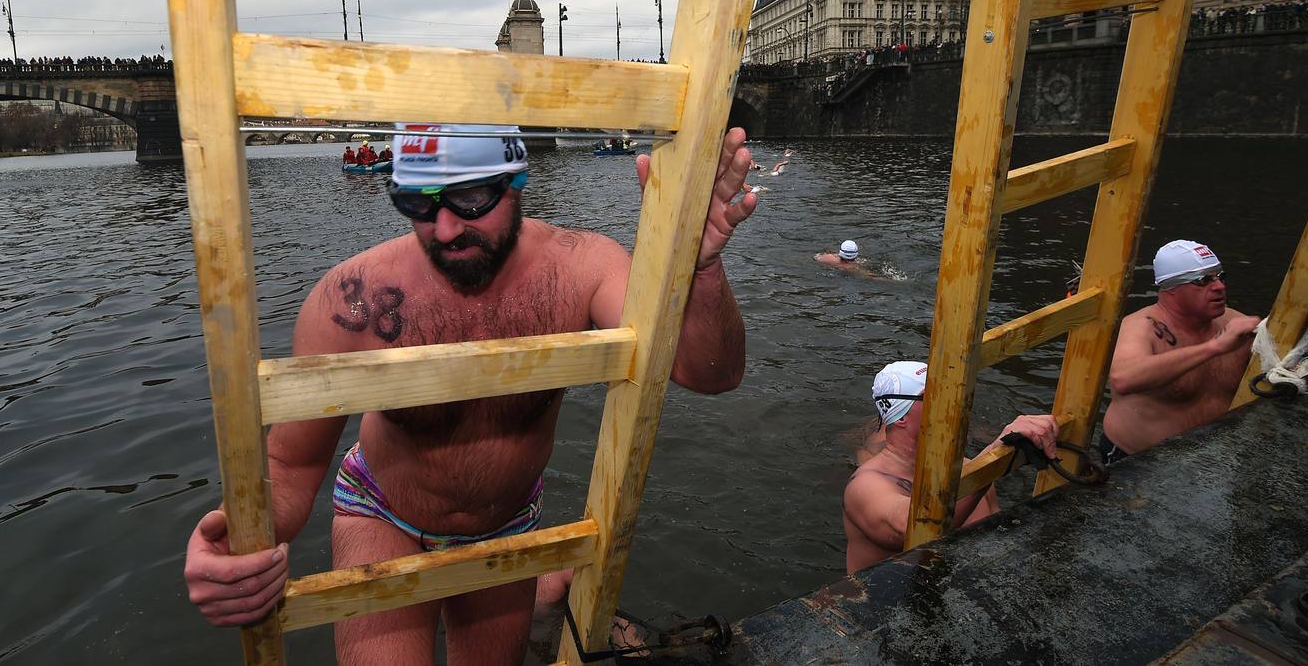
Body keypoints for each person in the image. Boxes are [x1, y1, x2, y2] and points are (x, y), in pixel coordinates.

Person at [183, 123, 758, 665]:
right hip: (384, 513)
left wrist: (700, 266)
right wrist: (238, 545)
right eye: (419, 203)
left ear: (517, 184)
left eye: (472, 198)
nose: (447, 228)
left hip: (507, 519)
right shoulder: (352, 299)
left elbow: (709, 372)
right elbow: (291, 463)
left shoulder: (583, 270)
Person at [1101, 239, 1308, 464]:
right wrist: (1213, 347)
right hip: (1139, 461)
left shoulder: (1234, 322)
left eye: (1220, 277)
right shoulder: (1142, 326)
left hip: (1213, 460)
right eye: (1202, 281)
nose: (1219, 287)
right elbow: (1123, 378)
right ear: (1171, 290)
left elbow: (1280, 371)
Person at [842, 361, 1059, 573]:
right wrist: (994, 450)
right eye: (935, 395)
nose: (952, 401)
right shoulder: (866, 485)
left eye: (950, 391)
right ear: (900, 417)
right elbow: (915, 525)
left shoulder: (965, 465)